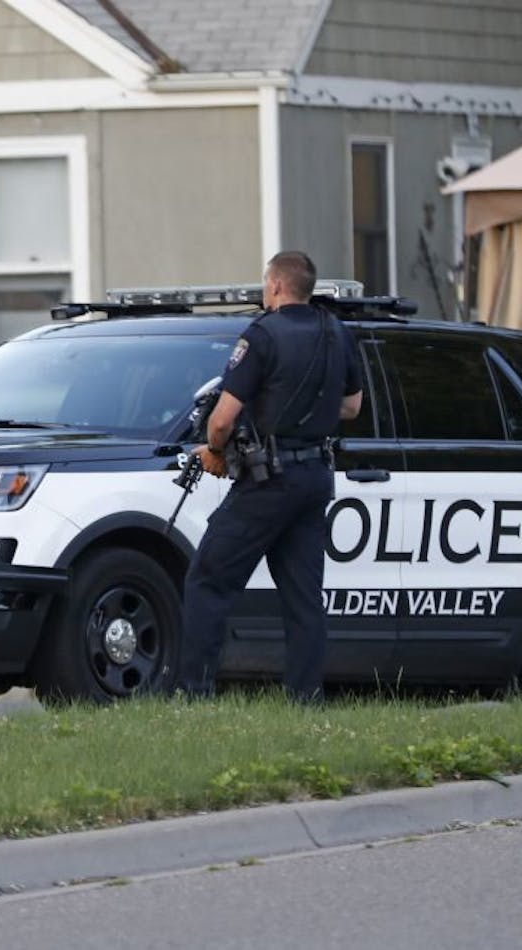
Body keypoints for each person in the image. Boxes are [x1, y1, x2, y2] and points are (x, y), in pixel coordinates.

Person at [176, 251, 363, 702]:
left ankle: (193, 693)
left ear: (277, 286)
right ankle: (305, 698)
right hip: (315, 476)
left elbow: (221, 421)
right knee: (303, 595)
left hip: (268, 481)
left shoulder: (262, 336)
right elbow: (352, 406)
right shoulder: (336, 331)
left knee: (208, 578)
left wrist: (215, 451)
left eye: (266, 284)